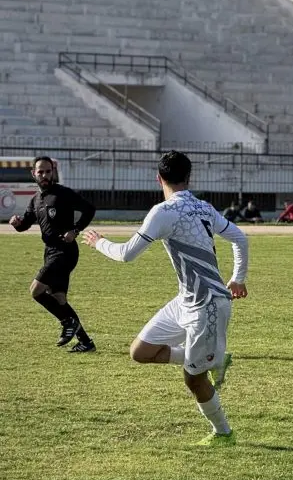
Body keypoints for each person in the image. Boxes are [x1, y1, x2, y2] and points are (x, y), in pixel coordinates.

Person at [82, 151, 249, 447]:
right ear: (189, 177)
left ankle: (224, 433)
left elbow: (126, 255)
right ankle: (214, 359)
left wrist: (99, 243)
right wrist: (238, 277)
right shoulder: (204, 207)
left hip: (207, 305)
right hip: (186, 301)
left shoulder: (163, 212)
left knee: (193, 380)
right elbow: (240, 238)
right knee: (140, 351)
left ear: (158, 178)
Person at [9, 156, 97, 352]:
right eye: (41, 172)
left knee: (36, 290)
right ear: (34, 174)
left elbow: (89, 209)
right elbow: (25, 224)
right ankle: (85, 342)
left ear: (53, 172)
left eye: (48, 171)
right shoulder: (35, 200)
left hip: (65, 253)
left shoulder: (63, 194)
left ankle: (68, 322)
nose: (45, 175)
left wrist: (75, 230)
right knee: (59, 299)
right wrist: (17, 223)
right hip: (50, 253)